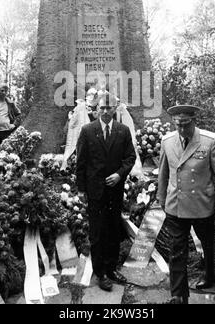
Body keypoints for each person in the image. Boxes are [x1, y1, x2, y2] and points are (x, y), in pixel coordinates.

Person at [157, 104, 215, 304]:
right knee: (177, 250)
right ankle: (178, 295)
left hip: (202, 205)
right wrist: (162, 197)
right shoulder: (167, 141)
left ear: (194, 121)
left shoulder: (209, 140)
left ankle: (210, 274)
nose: (182, 130)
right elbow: (163, 172)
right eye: (178, 125)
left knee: (208, 243)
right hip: (176, 204)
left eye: (186, 125)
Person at [76, 92, 136, 291]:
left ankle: (111, 269)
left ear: (115, 109)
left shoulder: (123, 131)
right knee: (97, 232)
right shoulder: (87, 131)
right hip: (95, 191)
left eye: (109, 107)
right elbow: (81, 163)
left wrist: (120, 175)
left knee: (113, 230)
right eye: (101, 107)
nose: (105, 111)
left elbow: (130, 158)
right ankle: (100, 272)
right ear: (96, 109)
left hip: (115, 190)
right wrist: (81, 190)